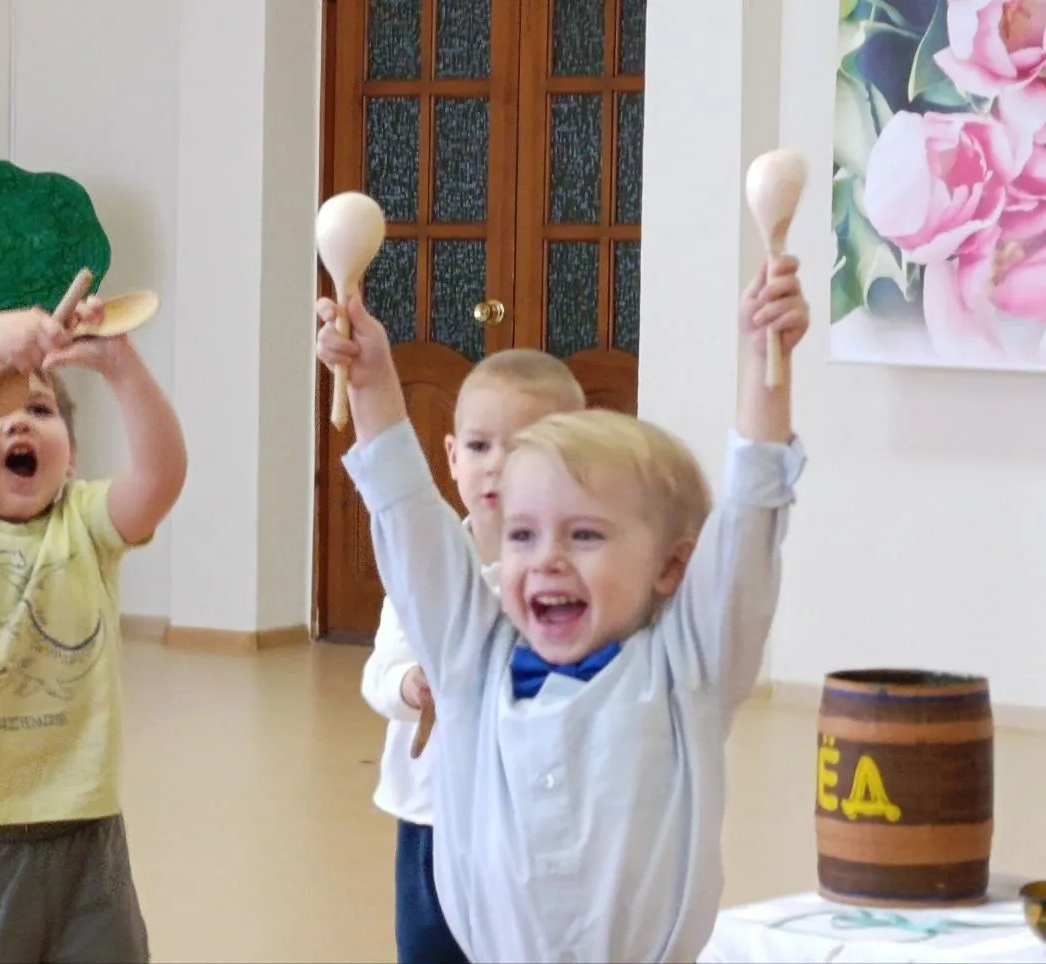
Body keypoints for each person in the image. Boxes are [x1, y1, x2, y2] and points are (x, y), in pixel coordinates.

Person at [315, 257, 810, 962]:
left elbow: (750, 524)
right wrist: (370, 380)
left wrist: (765, 362)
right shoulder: (471, 665)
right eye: (522, 535)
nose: (547, 559)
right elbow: (407, 514)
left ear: (672, 564)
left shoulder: (689, 672)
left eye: (585, 535)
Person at [0, 297, 187, 963]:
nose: (17, 423)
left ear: (72, 455)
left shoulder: (86, 524)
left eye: (39, 408)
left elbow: (162, 475)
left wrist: (123, 370)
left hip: (88, 835)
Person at [351, 345, 584, 964]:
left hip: (529, 827)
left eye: (525, 447)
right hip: (429, 817)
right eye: (479, 447)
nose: (497, 466)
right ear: (451, 457)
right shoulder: (425, 572)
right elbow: (379, 673)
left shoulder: (577, 584)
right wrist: (409, 685)